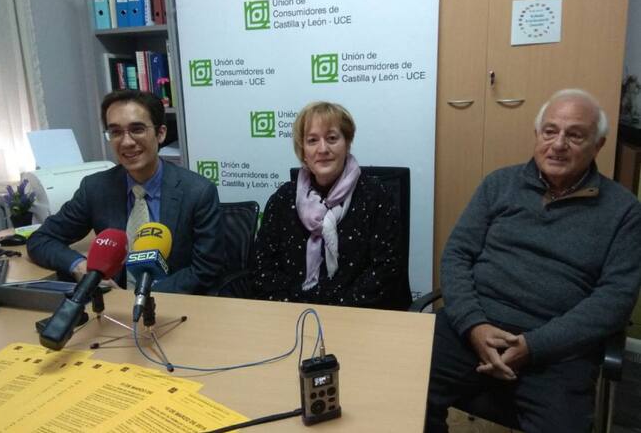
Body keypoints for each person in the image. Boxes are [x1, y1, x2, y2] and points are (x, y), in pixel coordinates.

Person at [426, 89, 641, 432]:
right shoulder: (499, 184)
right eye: (550, 131)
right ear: (537, 134)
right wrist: (474, 325)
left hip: (557, 351)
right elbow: (456, 255)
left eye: (575, 135)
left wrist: (534, 346)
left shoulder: (624, 211)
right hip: (472, 330)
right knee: (398, 394)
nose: (558, 144)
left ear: (598, 145)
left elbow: (615, 299)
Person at [27, 90, 224, 295]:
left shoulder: (198, 192)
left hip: (174, 302)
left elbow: (206, 269)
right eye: (116, 132)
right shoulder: (96, 188)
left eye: (137, 129)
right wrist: (80, 266)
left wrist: (141, 296)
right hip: (114, 304)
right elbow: (41, 239)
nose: (127, 142)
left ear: (160, 133)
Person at [251, 101, 407, 309]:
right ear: (302, 150)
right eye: (312, 140)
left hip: (361, 315)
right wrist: (302, 308)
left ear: (347, 143)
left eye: (332, 138)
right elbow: (262, 267)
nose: (323, 149)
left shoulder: (376, 196)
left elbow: (386, 271)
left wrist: (330, 308)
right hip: (294, 315)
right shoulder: (283, 199)